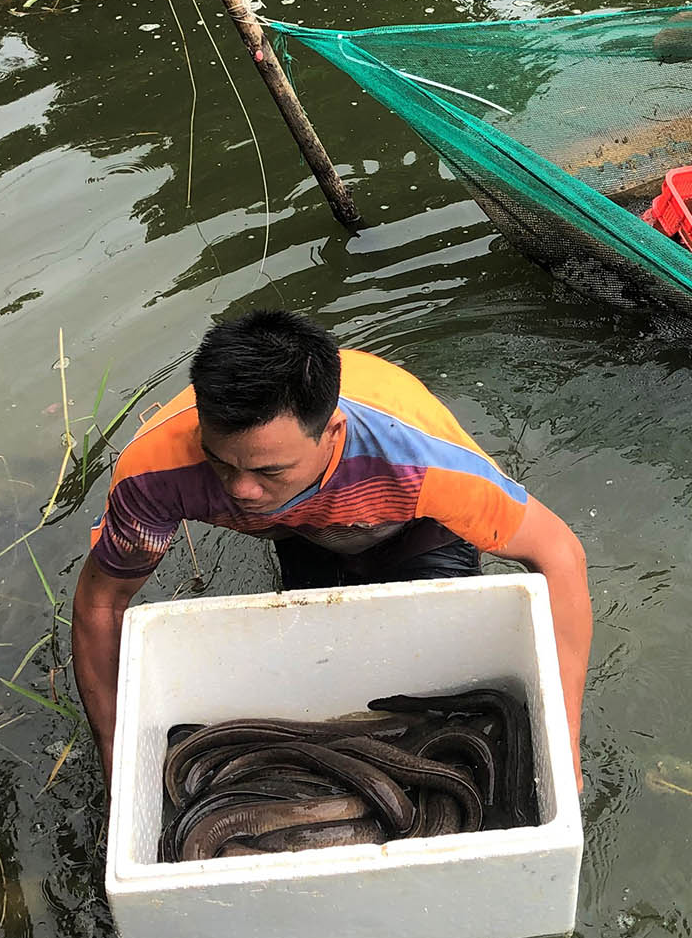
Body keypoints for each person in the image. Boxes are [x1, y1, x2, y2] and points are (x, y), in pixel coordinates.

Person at [70, 310, 592, 785]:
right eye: (222, 463)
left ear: (331, 432)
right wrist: (118, 755)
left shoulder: (425, 461)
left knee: (432, 686)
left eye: (268, 470)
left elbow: (558, 554)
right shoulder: (155, 472)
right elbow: (101, 602)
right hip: (301, 531)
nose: (240, 489)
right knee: (323, 668)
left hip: (413, 526)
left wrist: (564, 744)